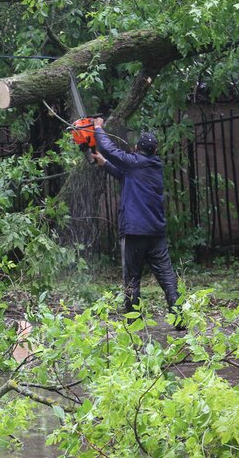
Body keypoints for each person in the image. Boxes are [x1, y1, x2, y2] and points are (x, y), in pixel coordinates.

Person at [91, 118, 183, 329]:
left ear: (136, 148)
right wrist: (103, 163)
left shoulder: (135, 163)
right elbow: (124, 175)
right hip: (155, 232)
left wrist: (97, 128)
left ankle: (133, 323)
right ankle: (179, 319)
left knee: (132, 278)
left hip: (134, 231)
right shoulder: (152, 166)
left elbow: (108, 148)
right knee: (167, 277)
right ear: (156, 149)